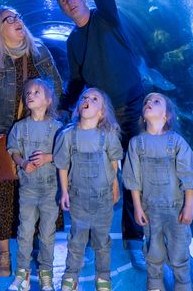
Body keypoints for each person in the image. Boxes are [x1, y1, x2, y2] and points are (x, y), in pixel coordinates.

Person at [58, 0, 149, 268]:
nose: (69, 2)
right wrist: (64, 106)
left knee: (138, 171)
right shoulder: (72, 41)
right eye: (63, 2)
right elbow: (77, 79)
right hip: (103, 116)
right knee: (103, 174)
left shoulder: (107, 19)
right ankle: (93, 233)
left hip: (134, 105)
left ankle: (135, 238)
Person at [0, 6, 65, 276]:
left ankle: (35, 243)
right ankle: (4, 254)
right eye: (8, 19)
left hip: (38, 135)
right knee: (3, 197)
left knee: (39, 191)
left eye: (18, 16)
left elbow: (56, 88)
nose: (16, 21)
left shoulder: (39, 51)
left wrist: (55, 125)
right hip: (1, 136)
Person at [123, 93, 193, 291]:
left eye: (156, 101)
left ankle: (183, 286)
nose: (149, 102)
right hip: (150, 210)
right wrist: (137, 208)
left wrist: (189, 206)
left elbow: (189, 175)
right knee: (153, 254)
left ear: (166, 116)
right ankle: (155, 286)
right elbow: (133, 179)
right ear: (142, 115)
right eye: (146, 101)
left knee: (179, 254)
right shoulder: (136, 143)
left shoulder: (176, 142)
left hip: (176, 210)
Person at [54, 88, 123, 291]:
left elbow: (114, 162)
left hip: (103, 198)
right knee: (77, 239)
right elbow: (63, 166)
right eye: (84, 97)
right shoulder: (67, 135)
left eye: (94, 99)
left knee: (102, 242)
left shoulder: (108, 135)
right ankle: (71, 276)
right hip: (78, 198)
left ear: (101, 112)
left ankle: (103, 277)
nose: (88, 100)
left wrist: (115, 186)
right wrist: (64, 192)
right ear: (78, 107)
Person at [7, 78, 64, 291]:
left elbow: (66, 155)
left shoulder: (58, 128)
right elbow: (13, 149)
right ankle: (22, 274)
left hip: (51, 189)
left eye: (37, 92)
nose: (30, 95)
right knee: (25, 231)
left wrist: (49, 157)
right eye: (28, 92)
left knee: (47, 233)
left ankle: (46, 273)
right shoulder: (20, 127)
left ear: (48, 100)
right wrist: (22, 163)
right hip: (28, 189)